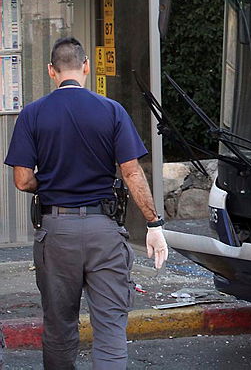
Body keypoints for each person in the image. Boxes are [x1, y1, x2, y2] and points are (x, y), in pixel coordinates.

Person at [4, 37, 168, 369]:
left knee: (59, 327)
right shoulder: (111, 111)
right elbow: (132, 173)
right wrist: (154, 225)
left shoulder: (32, 114)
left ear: (52, 71)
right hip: (104, 232)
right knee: (109, 328)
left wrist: (47, 181)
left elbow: (22, 180)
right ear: (86, 67)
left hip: (55, 233)